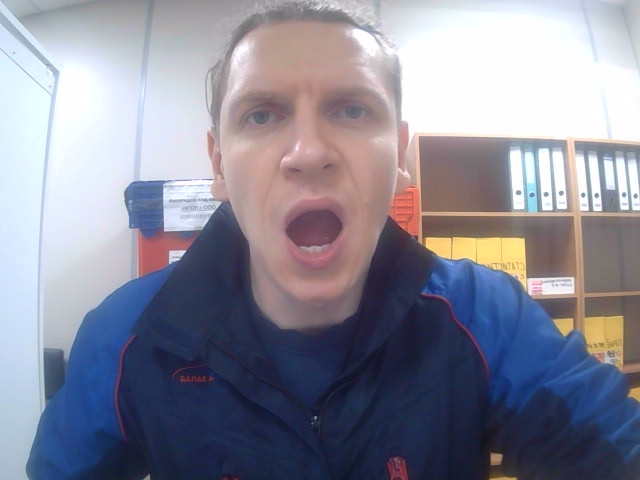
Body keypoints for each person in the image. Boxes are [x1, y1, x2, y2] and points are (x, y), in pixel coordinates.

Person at [27, 1, 640, 479]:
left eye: (351, 110)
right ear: (219, 165)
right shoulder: (126, 336)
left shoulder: (487, 317)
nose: (309, 152)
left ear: (398, 155)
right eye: (262, 114)